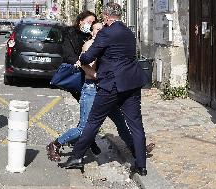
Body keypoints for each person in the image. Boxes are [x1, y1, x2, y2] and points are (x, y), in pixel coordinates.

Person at [58, 3, 149, 176]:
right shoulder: (129, 32)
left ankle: (77, 157)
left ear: (106, 16)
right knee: (136, 125)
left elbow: (88, 56)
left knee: (93, 122)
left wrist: (82, 58)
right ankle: (141, 165)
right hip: (132, 84)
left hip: (111, 85)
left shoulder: (107, 32)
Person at [62, 10, 97, 101]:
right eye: (89, 22)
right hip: (78, 72)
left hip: (90, 74)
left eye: (93, 23)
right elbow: (68, 53)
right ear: (80, 21)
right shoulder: (69, 33)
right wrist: (78, 62)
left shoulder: (92, 36)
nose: (90, 25)